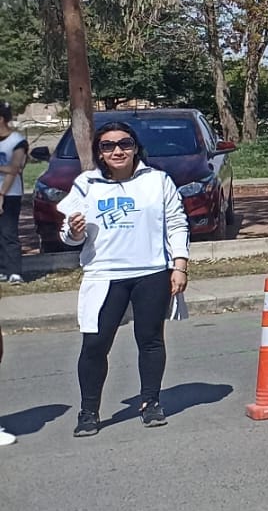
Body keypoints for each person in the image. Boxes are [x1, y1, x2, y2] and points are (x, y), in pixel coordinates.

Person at [59, 122, 189, 436]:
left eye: (124, 144)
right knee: (95, 344)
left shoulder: (157, 180)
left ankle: (150, 402)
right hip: (104, 275)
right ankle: (89, 411)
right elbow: (68, 234)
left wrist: (180, 265)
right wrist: (73, 232)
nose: (117, 151)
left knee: (151, 340)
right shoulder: (86, 184)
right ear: (99, 153)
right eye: (108, 146)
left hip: (151, 272)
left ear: (135, 148)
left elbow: (177, 223)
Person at [0, 101, 26, 284]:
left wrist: (1, 194)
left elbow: (14, 169)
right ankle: (2, 270)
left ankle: (14, 272)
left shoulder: (17, 141)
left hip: (10, 194)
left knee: (8, 232)